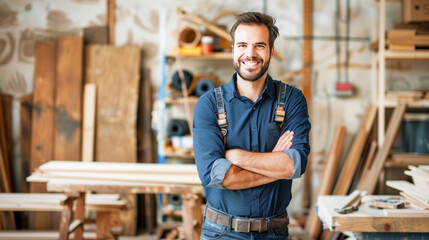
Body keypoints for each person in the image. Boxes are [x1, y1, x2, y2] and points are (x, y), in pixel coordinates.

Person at [193, 11, 311, 240]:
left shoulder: (292, 100)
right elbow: (217, 176)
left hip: (274, 233)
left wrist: (236, 157)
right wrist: (275, 165)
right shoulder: (208, 105)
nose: (250, 53)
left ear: (271, 52)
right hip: (221, 233)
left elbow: (294, 165)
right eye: (243, 45)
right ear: (233, 50)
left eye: (259, 45)